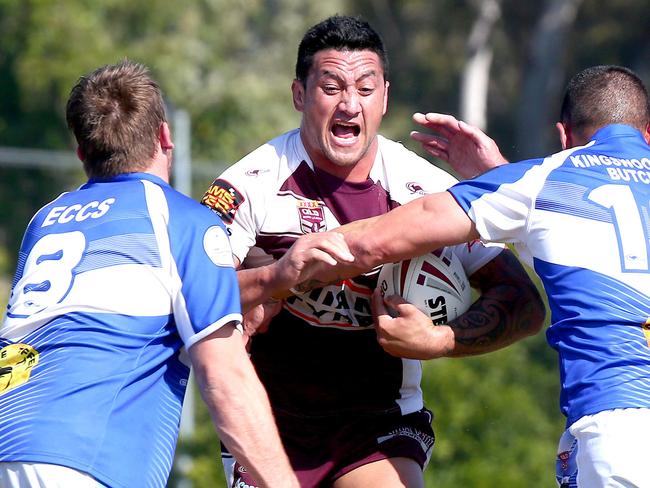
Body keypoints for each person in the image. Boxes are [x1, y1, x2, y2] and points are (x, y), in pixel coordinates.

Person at [200, 15, 544, 488]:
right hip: (267, 418)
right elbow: (187, 291)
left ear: (385, 97)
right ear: (300, 94)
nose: (349, 105)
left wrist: (439, 341)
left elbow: (523, 302)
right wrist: (274, 278)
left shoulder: (424, 192)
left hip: (378, 422)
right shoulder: (250, 185)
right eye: (331, 87)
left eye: (365, 88)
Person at [328, 65, 650, 487]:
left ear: (564, 135)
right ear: (647, 135)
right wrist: (496, 174)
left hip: (620, 427)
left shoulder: (543, 180)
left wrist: (278, 274)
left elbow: (375, 243)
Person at [0, 61, 300, 488]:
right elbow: (225, 376)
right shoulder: (182, 221)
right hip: (86, 459)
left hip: (8, 441)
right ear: (165, 137)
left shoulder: (46, 219)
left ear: (82, 152)